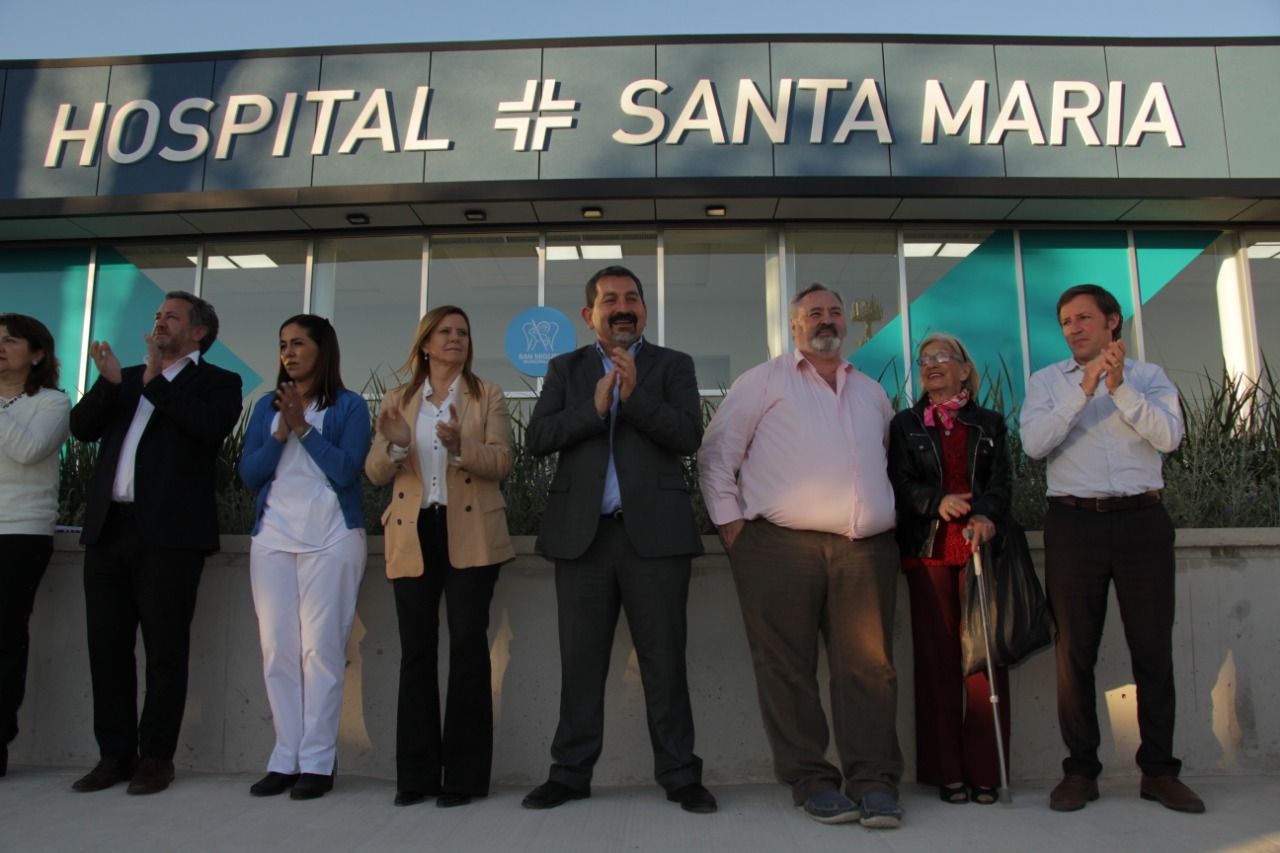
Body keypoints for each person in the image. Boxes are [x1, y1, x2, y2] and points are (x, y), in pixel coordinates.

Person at [699, 282, 904, 829]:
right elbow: (717, 457)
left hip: (865, 552)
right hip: (778, 550)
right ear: (795, 326)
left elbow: (885, 457)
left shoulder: (871, 392)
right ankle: (812, 780)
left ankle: (875, 782)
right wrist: (734, 531)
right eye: (814, 313)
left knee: (872, 670)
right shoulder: (762, 381)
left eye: (835, 312)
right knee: (786, 669)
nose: (827, 320)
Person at [520, 266, 716, 815]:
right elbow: (538, 438)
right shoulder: (566, 368)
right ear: (590, 315)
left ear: (645, 311)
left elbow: (687, 436)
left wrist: (633, 399)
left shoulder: (673, 365)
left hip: (655, 538)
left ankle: (680, 775)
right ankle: (569, 774)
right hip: (583, 540)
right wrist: (596, 408)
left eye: (632, 298)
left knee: (665, 664)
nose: (622, 306)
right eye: (610, 300)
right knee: (580, 664)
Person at [1021, 283, 1203, 814]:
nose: (1073, 328)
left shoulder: (1149, 378)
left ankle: (1160, 773)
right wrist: (1085, 388)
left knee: (1153, 650)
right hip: (1074, 525)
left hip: (1142, 521)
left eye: (1083, 318)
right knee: (1074, 652)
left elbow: (1169, 438)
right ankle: (1080, 771)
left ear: (1112, 322)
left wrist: (1120, 388)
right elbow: (1035, 445)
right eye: (1065, 322)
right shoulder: (1047, 382)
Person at [68, 291, 242, 795]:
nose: (160, 323)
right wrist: (106, 384)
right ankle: (114, 756)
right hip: (108, 532)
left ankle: (156, 758)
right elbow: (82, 430)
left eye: (172, 317)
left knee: (165, 651)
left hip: (169, 539)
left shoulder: (217, 381)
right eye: (157, 316)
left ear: (199, 333)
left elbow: (209, 428)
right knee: (107, 649)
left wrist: (156, 381)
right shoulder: (122, 379)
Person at [366, 305, 515, 809]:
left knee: (469, 651)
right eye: (445, 332)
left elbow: (502, 461)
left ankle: (465, 778)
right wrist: (395, 446)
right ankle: (417, 775)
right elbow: (373, 472)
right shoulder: (396, 399)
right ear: (425, 343)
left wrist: (459, 444)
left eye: (464, 333)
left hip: (470, 530)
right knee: (416, 653)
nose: (456, 339)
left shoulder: (487, 394)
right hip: (413, 531)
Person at [238, 315, 370, 800]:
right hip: (273, 538)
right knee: (277, 651)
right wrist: (279, 433)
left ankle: (317, 761)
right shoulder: (263, 409)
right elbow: (249, 475)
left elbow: (346, 470)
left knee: (320, 650)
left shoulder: (350, 407)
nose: (288, 353)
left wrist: (303, 429)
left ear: (323, 350)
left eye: (298, 343)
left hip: (332, 537)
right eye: (282, 345)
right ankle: (285, 757)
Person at [887, 333, 1012, 806]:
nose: (932, 365)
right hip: (929, 550)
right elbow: (899, 482)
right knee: (936, 661)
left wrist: (986, 514)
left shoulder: (991, 424)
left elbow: (1002, 482)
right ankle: (946, 771)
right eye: (924, 360)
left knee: (983, 660)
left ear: (964, 369)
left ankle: (985, 770)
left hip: (980, 548)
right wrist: (937, 501)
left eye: (943, 357)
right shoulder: (906, 424)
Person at [0, 314, 71, 778]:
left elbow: (28, 451)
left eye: (9, 341)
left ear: (37, 353)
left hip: (19, 531)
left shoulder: (52, 402)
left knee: (5, 636)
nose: (0, 347)